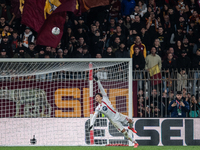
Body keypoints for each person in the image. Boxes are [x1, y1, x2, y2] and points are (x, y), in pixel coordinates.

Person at [88, 75, 139, 148]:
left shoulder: (105, 98)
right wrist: (91, 124)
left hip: (118, 115)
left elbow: (101, 89)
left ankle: (131, 127)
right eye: (95, 97)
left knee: (131, 121)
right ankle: (135, 143)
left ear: (101, 97)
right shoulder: (98, 108)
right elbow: (94, 117)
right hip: (114, 120)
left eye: (97, 96)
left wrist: (98, 81)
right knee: (124, 132)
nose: (96, 98)